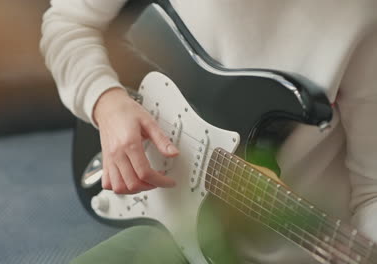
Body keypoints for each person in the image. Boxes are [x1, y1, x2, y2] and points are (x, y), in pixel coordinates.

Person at [40, 0, 377, 263]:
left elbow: (371, 191)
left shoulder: (363, 17)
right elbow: (67, 23)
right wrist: (106, 101)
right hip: (170, 231)